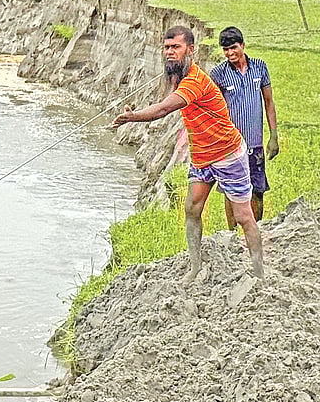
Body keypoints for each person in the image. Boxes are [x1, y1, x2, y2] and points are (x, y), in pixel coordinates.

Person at [112, 26, 264, 282]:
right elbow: (166, 95)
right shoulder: (177, 76)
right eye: (167, 47)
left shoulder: (195, 81)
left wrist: (132, 117)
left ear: (190, 50)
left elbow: (163, 109)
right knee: (192, 209)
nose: (170, 52)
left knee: (243, 216)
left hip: (227, 154)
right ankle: (194, 267)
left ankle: (259, 273)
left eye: (176, 47)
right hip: (202, 155)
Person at [208, 26, 279, 225]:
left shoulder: (259, 67)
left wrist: (273, 136)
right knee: (231, 192)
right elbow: (214, 108)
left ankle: (257, 230)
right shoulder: (218, 74)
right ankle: (231, 236)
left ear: (243, 45)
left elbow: (269, 102)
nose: (230, 53)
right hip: (230, 146)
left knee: (257, 190)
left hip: (255, 143)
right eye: (226, 50)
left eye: (233, 48)